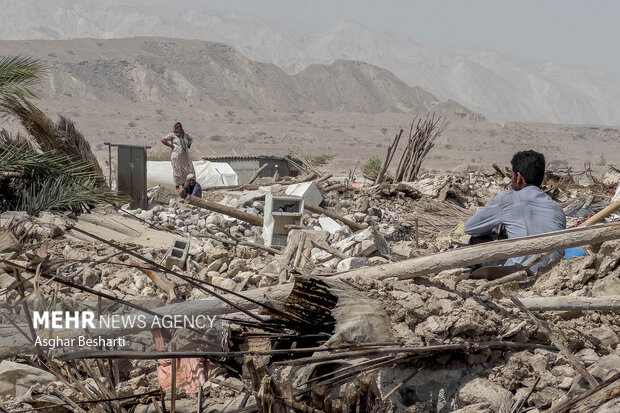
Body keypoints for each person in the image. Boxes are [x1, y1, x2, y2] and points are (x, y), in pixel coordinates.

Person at [465, 150, 566, 273]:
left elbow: (470, 228)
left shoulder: (507, 199)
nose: (511, 183)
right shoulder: (557, 209)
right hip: (551, 275)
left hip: (520, 274)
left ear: (518, 178)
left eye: (512, 177)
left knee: (477, 239)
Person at [161, 122, 195, 188]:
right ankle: (177, 186)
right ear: (175, 127)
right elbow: (163, 140)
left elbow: (190, 139)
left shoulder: (184, 135)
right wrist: (171, 146)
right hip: (176, 155)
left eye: (180, 126)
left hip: (184, 155)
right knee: (177, 170)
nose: (179, 128)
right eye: (177, 127)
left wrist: (188, 145)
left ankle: (183, 185)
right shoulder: (172, 134)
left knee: (185, 170)